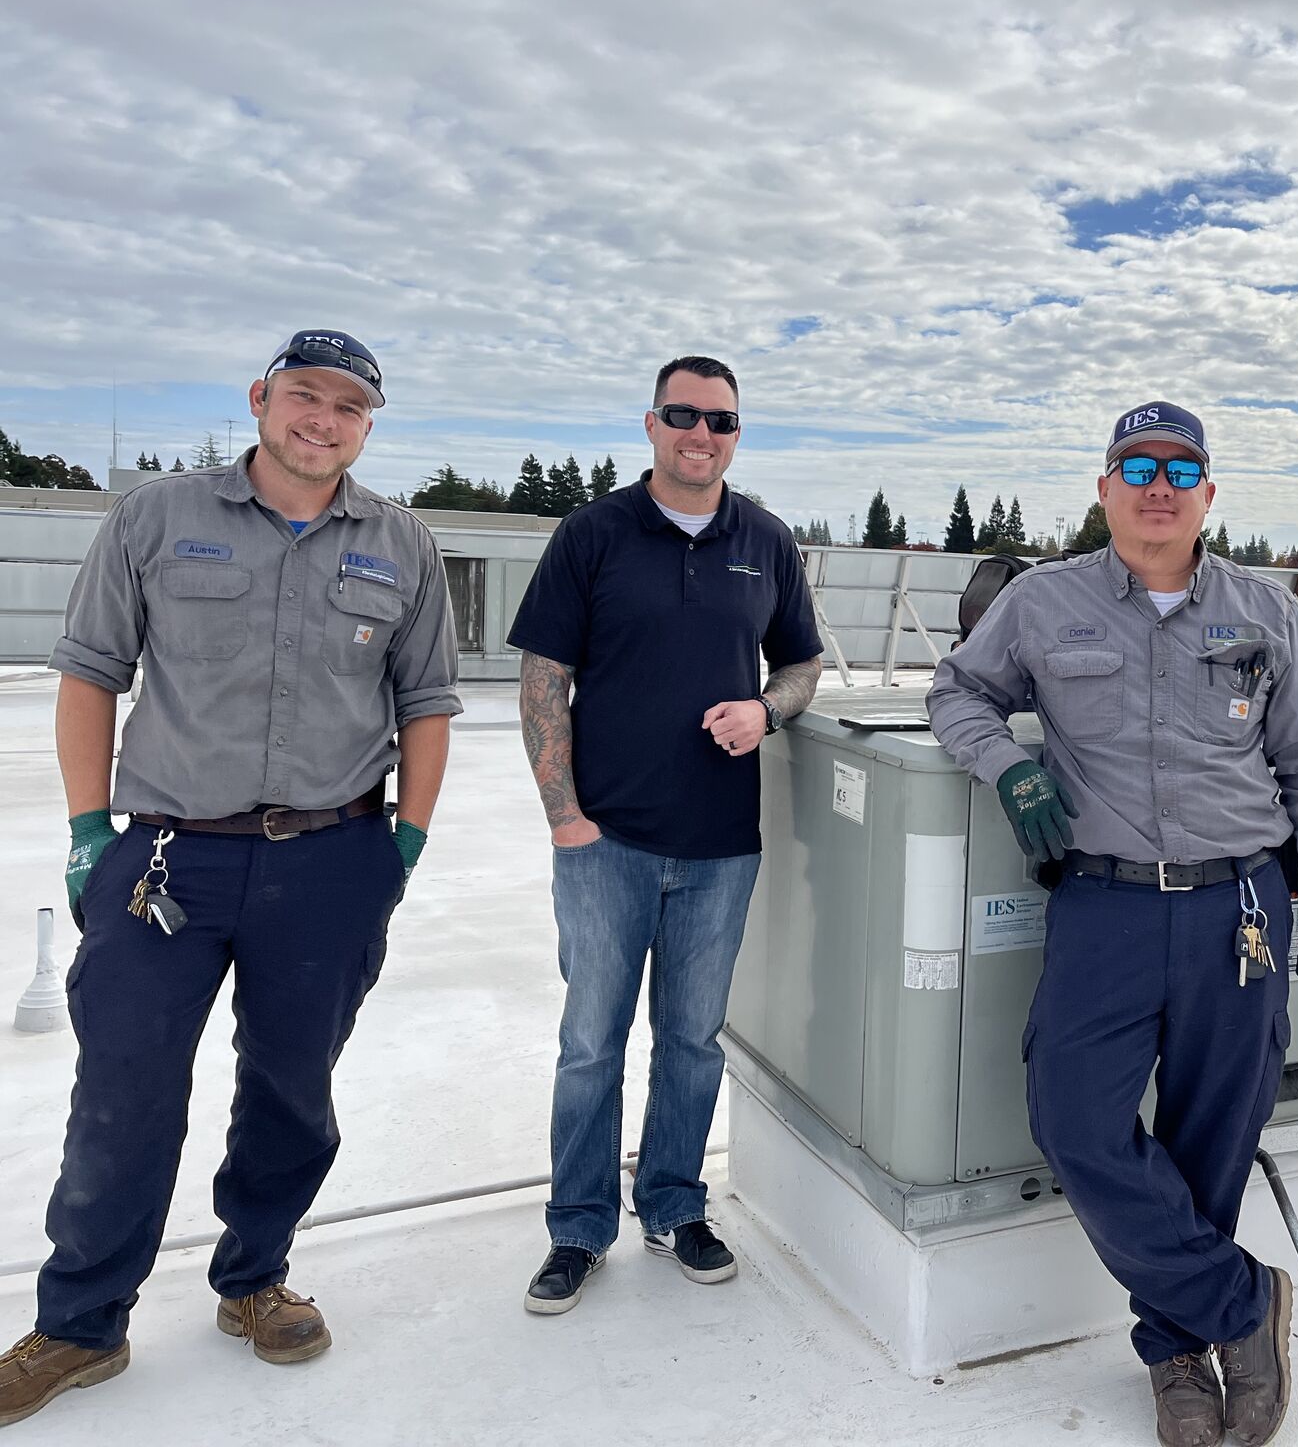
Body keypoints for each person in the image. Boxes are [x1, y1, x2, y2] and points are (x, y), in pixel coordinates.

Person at [3, 331, 459, 1428]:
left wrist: (403, 843)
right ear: (261, 398)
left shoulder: (402, 543)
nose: (323, 419)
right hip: (169, 857)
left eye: (350, 406)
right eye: (306, 395)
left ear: (368, 425)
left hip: (333, 858)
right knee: (124, 1089)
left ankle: (255, 1279)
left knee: (292, 1088)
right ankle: (81, 1323)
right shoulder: (156, 518)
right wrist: (87, 831)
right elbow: (90, 674)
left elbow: (426, 703)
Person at [927, 402, 1298, 1447]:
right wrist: (1009, 766)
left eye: (1178, 469)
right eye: (1136, 467)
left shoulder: (1265, 610)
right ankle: (1243, 1305)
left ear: (1207, 493)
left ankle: (1176, 1355)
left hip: (1238, 907)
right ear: (1104, 488)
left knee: (1213, 1136)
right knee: (1074, 1122)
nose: (1157, 486)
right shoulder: (1041, 602)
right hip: (1104, 903)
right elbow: (956, 692)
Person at [511, 355, 823, 1316]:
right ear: (651, 423)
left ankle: (675, 1205)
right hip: (605, 843)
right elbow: (543, 677)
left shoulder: (766, 540)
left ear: (737, 435)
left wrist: (767, 710)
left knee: (691, 1041)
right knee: (591, 1044)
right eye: (683, 415)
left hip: (722, 847)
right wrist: (565, 817)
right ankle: (578, 1227)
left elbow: (803, 664)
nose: (701, 434)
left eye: (720, 421)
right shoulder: (595, 533)